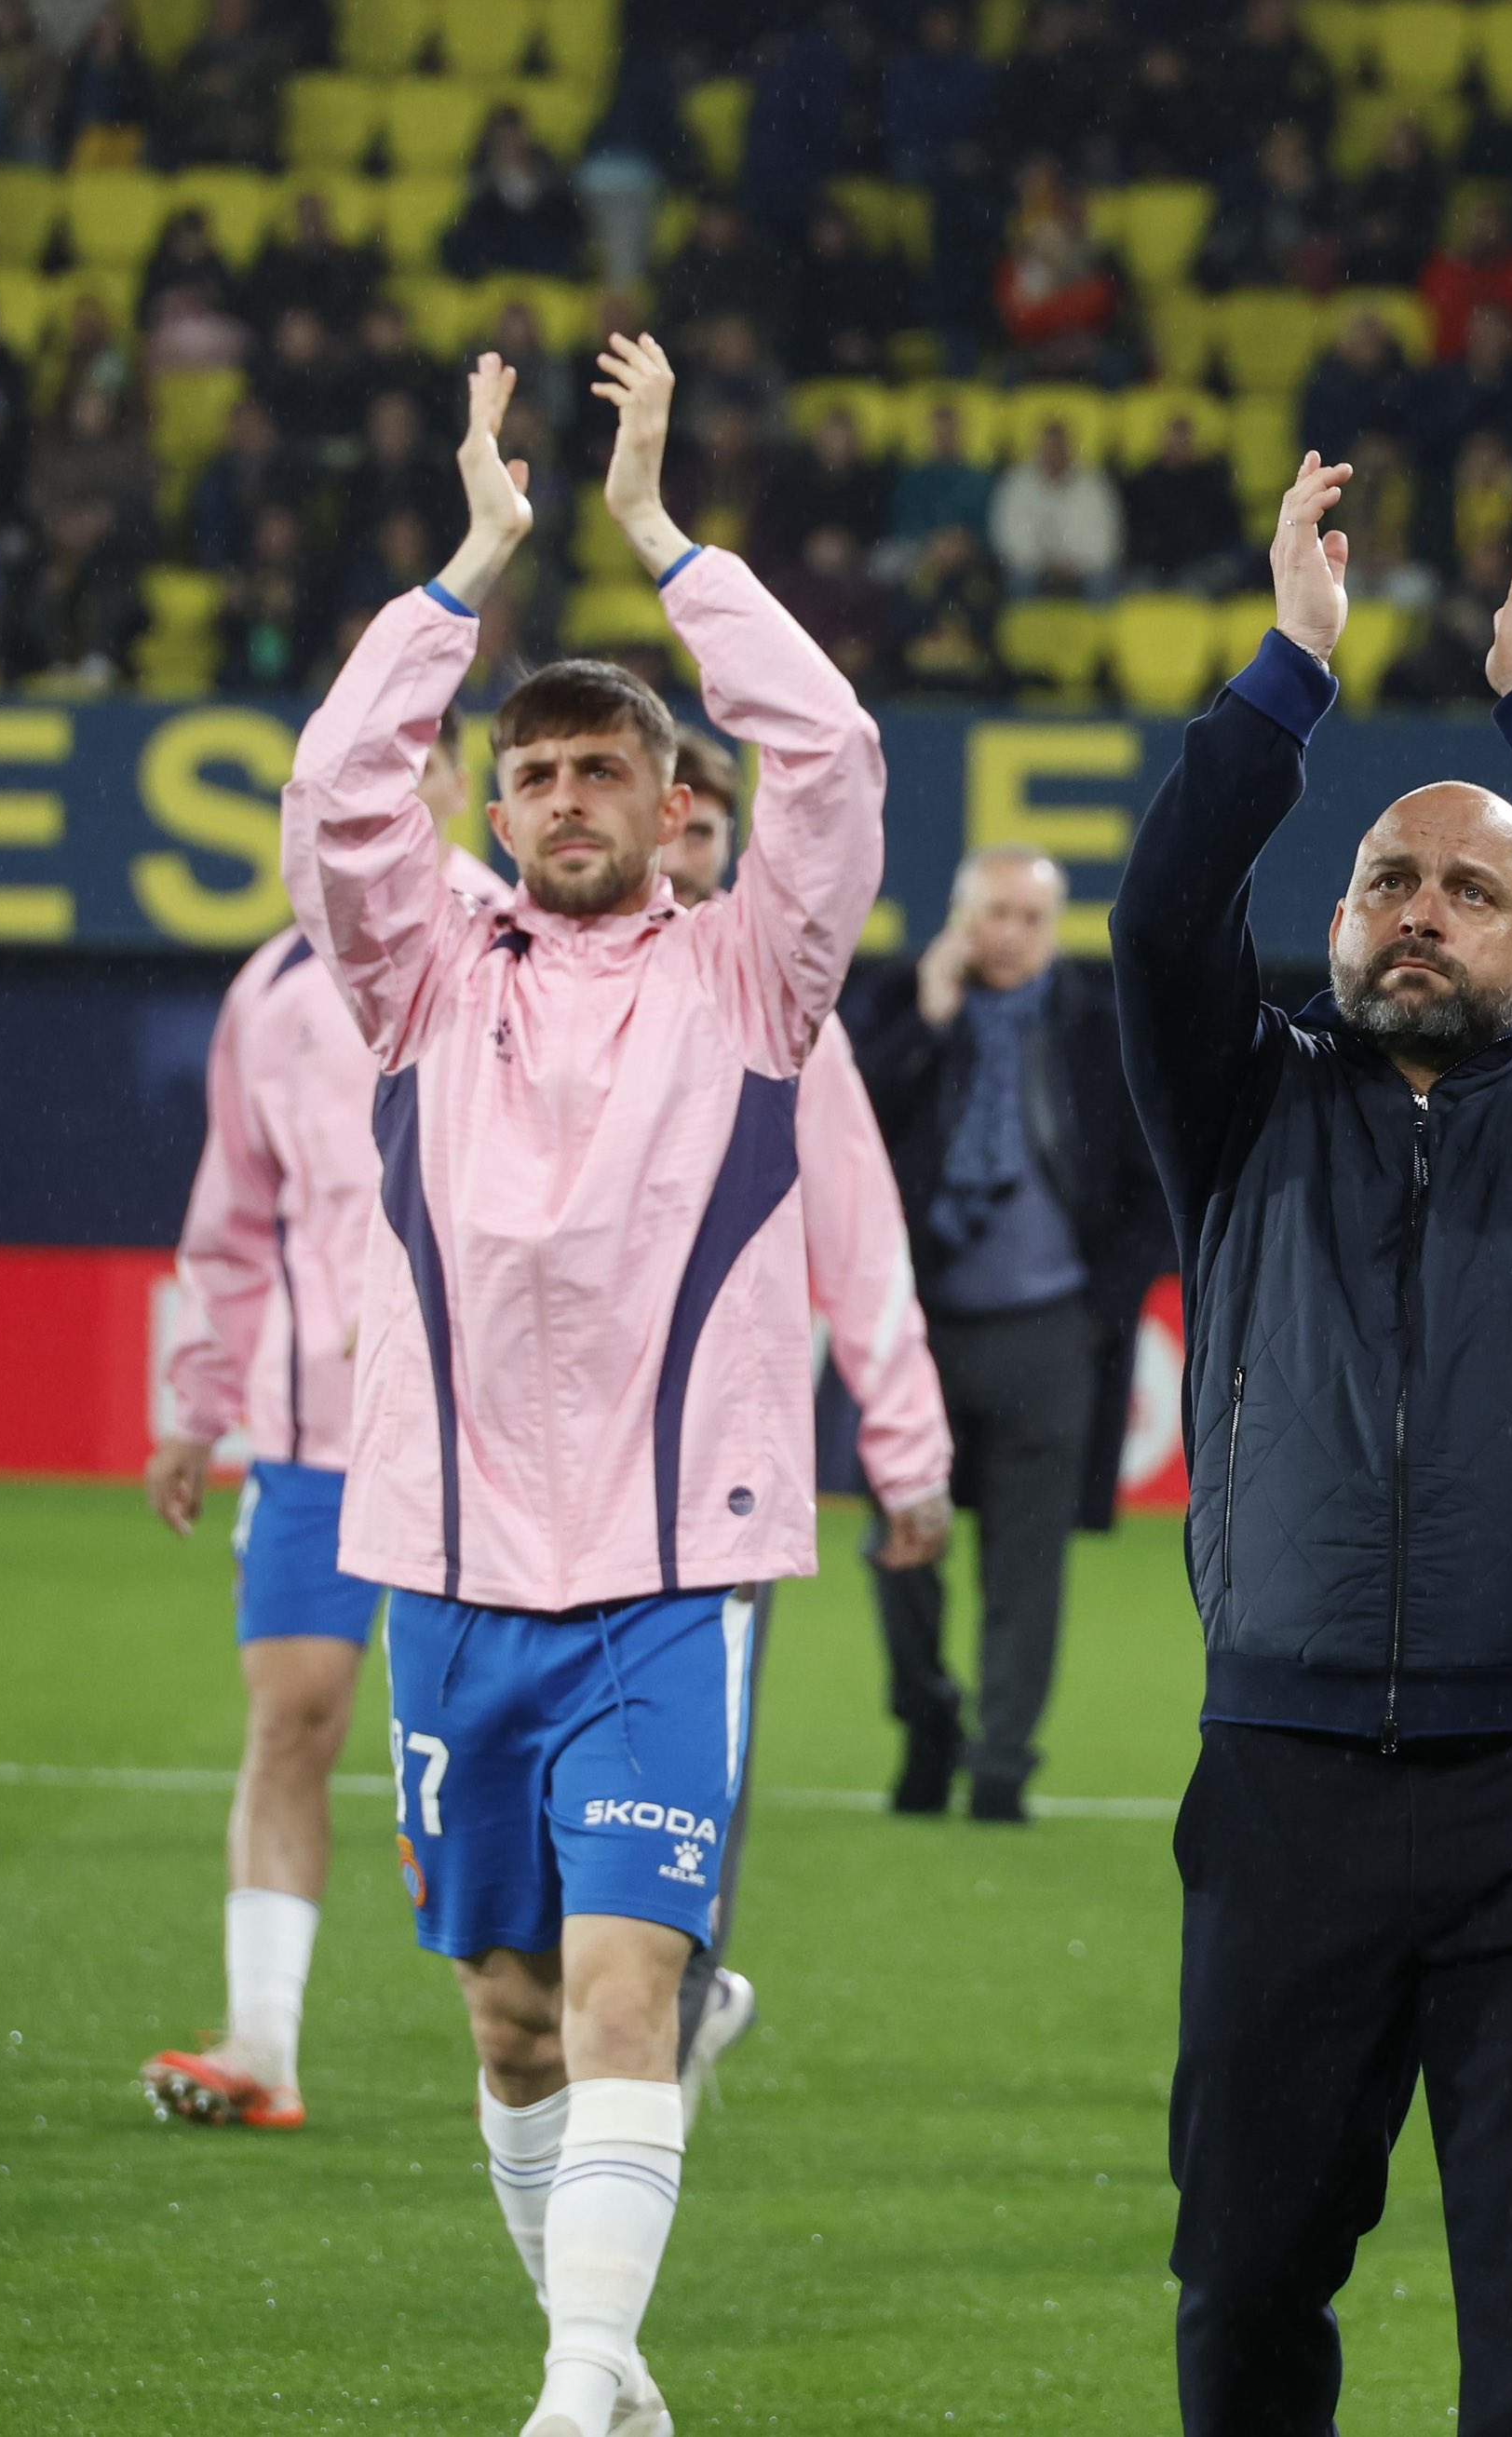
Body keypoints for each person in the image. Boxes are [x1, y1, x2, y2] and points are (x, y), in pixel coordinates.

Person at [280, 333, 881, 2437]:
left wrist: (660, 545)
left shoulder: (756, 979)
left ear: (664, 804)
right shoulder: (417, 976)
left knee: (631, 1985)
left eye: (598, 771)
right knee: (513, 2018)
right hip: (443, 1563)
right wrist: (467, 572)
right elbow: (335, 796)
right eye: (526, 774)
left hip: (665, 1576)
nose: (560, 799)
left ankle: (560, 2400)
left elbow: (839, 753)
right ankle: (606, 2372)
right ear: (497, 803)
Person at [1114, 462, 1512, 2434]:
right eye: (1389, 882)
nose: (1421, 916)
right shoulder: (1237, 1106)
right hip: (1284, 1778)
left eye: (1473, 893)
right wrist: (1292, 665)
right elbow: (1155, 916)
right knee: (1248, 2278)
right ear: (1338, 919)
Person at [136, 744, 498, 2134]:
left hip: (487, 1440)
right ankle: (266, 2043)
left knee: (494, 1744)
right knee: (291, 1719)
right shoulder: (272, 988)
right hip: (311, 1437)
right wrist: (195, 1405)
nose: (349, 819)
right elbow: (231, 1218)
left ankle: (567, 2027)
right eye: (324, 796)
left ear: (457, 790)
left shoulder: (510, 942)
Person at [647, 731, 952, 2072]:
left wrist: (907, 1446)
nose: (681, 849)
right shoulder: (506, 983)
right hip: (517, 1479)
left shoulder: (771, 1010)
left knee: (681, 1789)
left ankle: (672, 2000)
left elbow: (861, 1234)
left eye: (709, 829)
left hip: (708, 1463)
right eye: (667, 820)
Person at [842, 847, 1160, 1821]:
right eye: (992, 913)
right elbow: (846, 1133)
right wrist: (931, 1020)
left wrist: (1099, 1313)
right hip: (918, 1335)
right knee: (901, 1548)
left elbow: (1150, 1187)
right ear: (957, 917)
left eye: (1028, 915)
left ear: (1053, 923)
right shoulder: (900, 1008)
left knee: (1028, 1569)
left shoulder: (1098, 1030)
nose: (1009, 933)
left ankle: (1002, 1766)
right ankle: (927, 1717)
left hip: (1048, 1334)